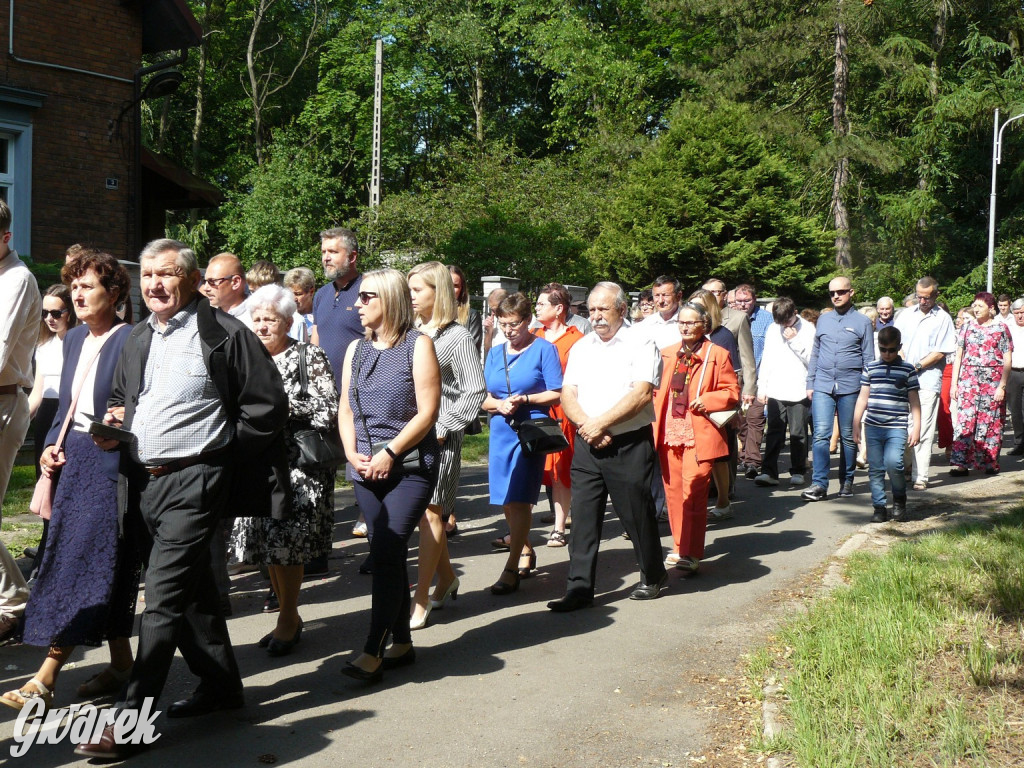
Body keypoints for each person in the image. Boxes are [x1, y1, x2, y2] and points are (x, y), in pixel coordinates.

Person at [75, 238, 290, 760]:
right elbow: (124, 397)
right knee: (192, 595)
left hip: (197, 480)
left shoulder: (226, 334)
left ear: (193, 280)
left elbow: (267, 407)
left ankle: (131, 720)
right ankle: (221, 686)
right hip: (145, 482)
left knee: (162, 599)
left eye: (166, 274)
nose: (154, 284)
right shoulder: (139, 336)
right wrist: (116, 422)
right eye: (148, 275)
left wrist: (220, 457)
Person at [2, 251, 139, 712]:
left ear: (114, 293)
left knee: (82, 564)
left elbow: (140, 402)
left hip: (109, 463)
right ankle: (122, 664)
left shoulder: (132, 339)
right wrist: (49, 445)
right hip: (72, 460)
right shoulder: (75, 337)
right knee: (85, 560)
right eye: (74, 286)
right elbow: (65, 404)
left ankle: (45, 677)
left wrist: (122, 419)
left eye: (87, 286)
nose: (77, 295)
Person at [337, 269, 440, 682]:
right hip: (364, 467)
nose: (357, 304)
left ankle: (372, 650)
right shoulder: (356, 349)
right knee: (388, 554)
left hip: (409, 466)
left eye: (366, 297)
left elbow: (428, 412)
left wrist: (391, 451)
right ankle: (402, 643)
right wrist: (351, 453)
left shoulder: (419, 345)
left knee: (385, 549)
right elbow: (346, 408)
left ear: (389, 300)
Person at [230, 284, 338, 656]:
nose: (262, 326)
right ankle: (286, 616)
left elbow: (328, 410)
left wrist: (279, 407)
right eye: (257, 319)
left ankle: (288, 618)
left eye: (270, 320)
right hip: (257, 464)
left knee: (288, 545)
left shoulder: (309, 355)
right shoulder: (247, 359)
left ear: (288, 323)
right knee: (267, 545)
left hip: (298, 467)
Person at [547, 282, 667, 612]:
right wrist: (589, 426)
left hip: (628, 442)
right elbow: (568, 393)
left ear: (622, 310)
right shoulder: (583, 347)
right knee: (584, 518)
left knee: (635, 514)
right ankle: (579, 589)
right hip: (588, 442)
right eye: (592, 310)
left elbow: (642, 393)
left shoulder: (641, 342)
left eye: (603, 309)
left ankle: (653, 575)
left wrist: (600, 423)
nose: (596, 316)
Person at [406, 262, 485, 630]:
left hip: (439, 438)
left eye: (417, 290)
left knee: (431, 512)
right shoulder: (410, 331)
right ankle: (448, 578)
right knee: (421, 513)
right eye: (409, 289)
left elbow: (474, 389)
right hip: (407, 434)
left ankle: (420, 598)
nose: (410, 296)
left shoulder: (457, 337)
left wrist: (445, 425)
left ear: (437, 293)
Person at [482, 292, 563, 595]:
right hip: (501, 430)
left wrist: (526, 398)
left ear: (528, 320)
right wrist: (498, 404)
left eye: (514, 324)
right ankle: (526, 548)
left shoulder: (544, 349)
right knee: (505, 499)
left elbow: (557, 392)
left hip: (530, 431)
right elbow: (484, 396)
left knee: (519, 498)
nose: (508, 330)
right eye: (503, 324)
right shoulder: (495, 353)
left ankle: (511, 566)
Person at [652, 302, 740, 575]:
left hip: (699, 433)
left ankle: (691, 552)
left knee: (694, 491)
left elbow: (732, 392)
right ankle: (679, 545)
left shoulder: (718, 354)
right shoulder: (667, 353)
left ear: (704, 325)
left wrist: (709, 399)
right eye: (682, 322)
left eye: (691, 322)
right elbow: (654, 391)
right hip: (669, 432)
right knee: (674, 493)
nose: (686, 327)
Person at [0, 199, 40, 645]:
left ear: (6, 237)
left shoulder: (16, 280)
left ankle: (13, 604)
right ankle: (13, 599)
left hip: (4, 401)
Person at [310, 228, 366, 538]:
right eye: (323, 252)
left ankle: (367, 512)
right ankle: (322, 521)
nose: (326, 257)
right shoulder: (321, 294)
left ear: (352, 256)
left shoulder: (367, 290)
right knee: (323, 458)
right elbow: (316, 338)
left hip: (359, 391)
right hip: (324, 394)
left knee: (359, 454)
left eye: (333, 251)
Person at [802, 276, 874, 502]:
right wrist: (810, 382)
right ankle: (819, 484)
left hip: (851, 386)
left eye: (841, 292)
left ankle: (847, 481)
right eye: (832, 293)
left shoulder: (862, 322)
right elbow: (815, 352)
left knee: (848, 436)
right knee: (820, 435)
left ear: (851, 292)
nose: (836, 296)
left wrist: (867, 390)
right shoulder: (823, 320)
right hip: (823, 384)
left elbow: (869, 359)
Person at [25, 285, 77, 576]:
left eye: (56, 312)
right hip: (47, 415)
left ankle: (59, 555)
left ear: (70, 311)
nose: (49, 318)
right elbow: (37, 393)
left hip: (70, 414)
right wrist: (20, 421)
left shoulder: (80, 341)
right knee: (45, 488)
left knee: (66, 488)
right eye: (45, 313)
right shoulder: (43, 346)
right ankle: (46, 552)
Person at [893, 277, 956, 490]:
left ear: (936, 295)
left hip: (927, 380)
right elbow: (896, 342)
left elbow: (940, 351)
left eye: (927, 297)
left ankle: (921, 476)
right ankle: (906, 468)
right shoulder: (905, 315)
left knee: (924, 428)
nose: (922, 301)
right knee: (903, 425)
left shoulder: (943, 319)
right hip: (903, 380)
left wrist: (916, 367)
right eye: (919, 296)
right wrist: (903, 364)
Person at [853, 326, 922, 523]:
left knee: (894, 464)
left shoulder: (907, 369)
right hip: (873, 426)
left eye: (891, 350)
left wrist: (916, 427)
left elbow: (914, 401)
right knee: (875, 468)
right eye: (883, 349)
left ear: (899, 347)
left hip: (896, 426)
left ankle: (899, 501)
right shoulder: (871, 368)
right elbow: (862, 398)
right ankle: (879, 507)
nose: (887, 354)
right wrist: (856, 424)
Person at [534, 283, 584, 545]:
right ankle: (519, 532)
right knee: (535, 468)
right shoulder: (532, 336)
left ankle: (559, 528)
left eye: (541, 304)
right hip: (534, 410)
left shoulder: (577, 340)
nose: (536, 308)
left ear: (559, 308)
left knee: (560, 470)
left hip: (563, 412)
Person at [688, 289, 740, 520]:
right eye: (691, 305)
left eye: (699, 306)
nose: (694, 310)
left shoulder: (722, 336)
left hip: (714, 407)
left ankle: (723, 499)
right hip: (690, 407)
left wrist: (731, 405)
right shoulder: (685, 336)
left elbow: (733, 373)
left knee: (719, 455)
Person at [949, 292, 1012, 477]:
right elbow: (958, 357)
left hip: (992, 382)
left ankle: (989, 462)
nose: (976, 309)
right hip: (969, 381)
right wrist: (954, 384)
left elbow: (1007, 359)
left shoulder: (1001, 328)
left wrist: (1002, 386)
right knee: (965, 422)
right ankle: (961, 465)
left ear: (991, 308)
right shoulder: (967, 327)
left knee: (991, 422)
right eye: (974, 305)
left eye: (980, 306)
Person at [754, 297, 814, 487]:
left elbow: (812, 359)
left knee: (798, 432)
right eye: (780, 322)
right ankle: (769, 472)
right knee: (774, 431)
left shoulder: (808, 328)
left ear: (794, 312)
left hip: (799, 387)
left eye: (786, 321)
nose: (783, 325)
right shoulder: (773, 328)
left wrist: (794, 340)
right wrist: (762, 387)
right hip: (775, 387)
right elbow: (767, 359)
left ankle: (798, 470)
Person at [733, 284, 772, 480]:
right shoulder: (730, 317)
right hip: (736, 378)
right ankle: (743, 456)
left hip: (759, 378)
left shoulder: (766, 319)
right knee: (740, 421)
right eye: (739, 301)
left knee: (755, 419)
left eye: (746, 301)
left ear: (754, 300)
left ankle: (752, 462)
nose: (742, 305)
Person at [201, 252, 251, 326]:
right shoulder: (207, 316)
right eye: (204, 281)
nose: (205, 288)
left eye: (212, 281)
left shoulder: (259, 317)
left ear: (235, 282)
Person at [638, 275, 683, 349]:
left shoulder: (688, 322)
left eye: (665, 295)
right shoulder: (647, 324)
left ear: (678, 296)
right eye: (657, 295)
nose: (660, 300)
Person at [447, 264, 482, 354]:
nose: (451, 289)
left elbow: (473, 351)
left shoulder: (471, 315)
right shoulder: (426, 313)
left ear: (461, 289)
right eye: (447, 285)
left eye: (455, 286)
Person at [1005, 299, 1024, 457]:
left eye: (1023, 313)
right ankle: (1019, 443)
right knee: (1015, 410)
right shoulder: (1008, 328)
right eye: (1017, 313)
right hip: (1013, 373)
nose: (1020, 316)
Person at [283, 266, 316, 342]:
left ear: (311, 292)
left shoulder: (320, 315)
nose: (294, 298)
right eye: (290, 293)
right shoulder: (283, 316)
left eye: (298, 294)